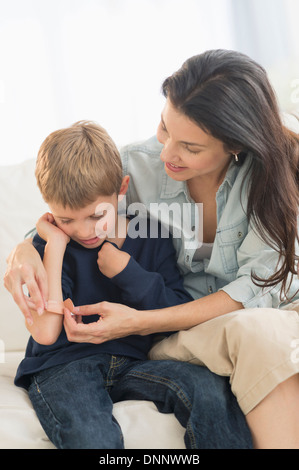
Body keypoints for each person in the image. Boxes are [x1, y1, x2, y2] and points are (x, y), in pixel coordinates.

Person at [5, 49, 299, 448]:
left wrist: (134, 303)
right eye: (164, 128)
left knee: (241, 354)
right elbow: (69, 214)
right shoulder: (134, 167)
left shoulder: (268, 179)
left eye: (189, 147)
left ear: (234, 145)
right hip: (110, 351)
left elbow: (257, 289)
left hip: (244, 316)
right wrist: (28, 247)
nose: (165, 154)